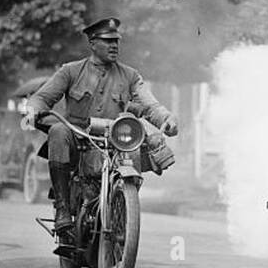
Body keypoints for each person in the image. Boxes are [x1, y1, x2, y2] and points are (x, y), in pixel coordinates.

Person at [23, 17, 179, 241]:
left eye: (116, 41)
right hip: (78, 140)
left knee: (140, 145)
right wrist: (33, 110)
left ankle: (122, 210)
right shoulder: (71, 71)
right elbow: (42, 98)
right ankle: (63, 208)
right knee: (58, 131)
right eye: (107, 41)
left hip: (113, 142)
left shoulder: (130, 76)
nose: (114, 45)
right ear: (93, 43)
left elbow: (148, 104)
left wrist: (167, 118)